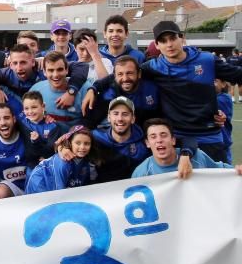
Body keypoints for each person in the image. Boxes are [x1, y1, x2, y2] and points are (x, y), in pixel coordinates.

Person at [85, 21, 242, 163]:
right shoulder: (153, 67)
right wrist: (95, 88)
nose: (169, 44)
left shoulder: (207, 60)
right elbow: (122, 74)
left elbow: (237, 74)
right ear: (157, 45)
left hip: (208, 135)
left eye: (173, 38)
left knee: (217, 186)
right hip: (175, 137)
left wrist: (218, 108)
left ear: (182, 39)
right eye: (163, 41)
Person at [131, 118, 242, 178]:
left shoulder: (197, 157)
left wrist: (236, 170)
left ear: (173, 140)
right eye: (153, 137)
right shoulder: (142, 173)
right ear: (147, 143)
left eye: (163, 135)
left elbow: (221, 170)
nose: (159, 140)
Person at [25, 126, 99, 195]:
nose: (82, 147)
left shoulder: (87, 160)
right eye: (78, 143)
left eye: (87, 143)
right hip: (41, 182)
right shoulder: (63, 162)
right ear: (70, 143)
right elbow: (59, 193)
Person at [92, 97, 149, 182]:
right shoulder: (95, 137)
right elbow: (73, 142)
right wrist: (65, 148)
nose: (120, 119)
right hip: (103, 190)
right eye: (115, 113)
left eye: (125, 114)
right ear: (108, 117)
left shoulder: (144, 142)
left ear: (133, 119)